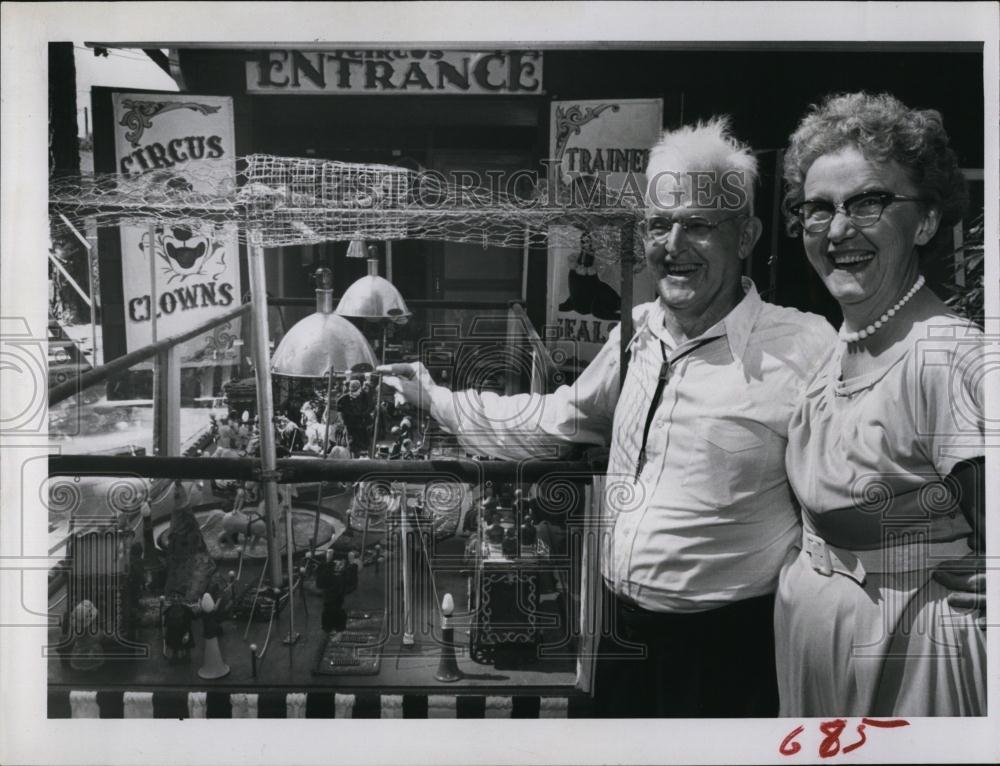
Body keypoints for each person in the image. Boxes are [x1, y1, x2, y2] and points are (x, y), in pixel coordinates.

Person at [380, 117, 837, 717]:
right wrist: (434, 398)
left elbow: (859, 479)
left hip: (727, 653)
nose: (672, 245)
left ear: (745, 234)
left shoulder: (804, 348)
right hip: (618, 639)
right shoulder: (638, 334)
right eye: (658, 224)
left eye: (698, 224)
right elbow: (554, 420)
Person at [777, 91, 986, 716]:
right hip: (818, 645)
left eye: (868, 203)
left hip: (910, 657)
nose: (838, 231)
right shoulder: (838, 343)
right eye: (818, 210)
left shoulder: (947, 355)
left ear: (924, 221)